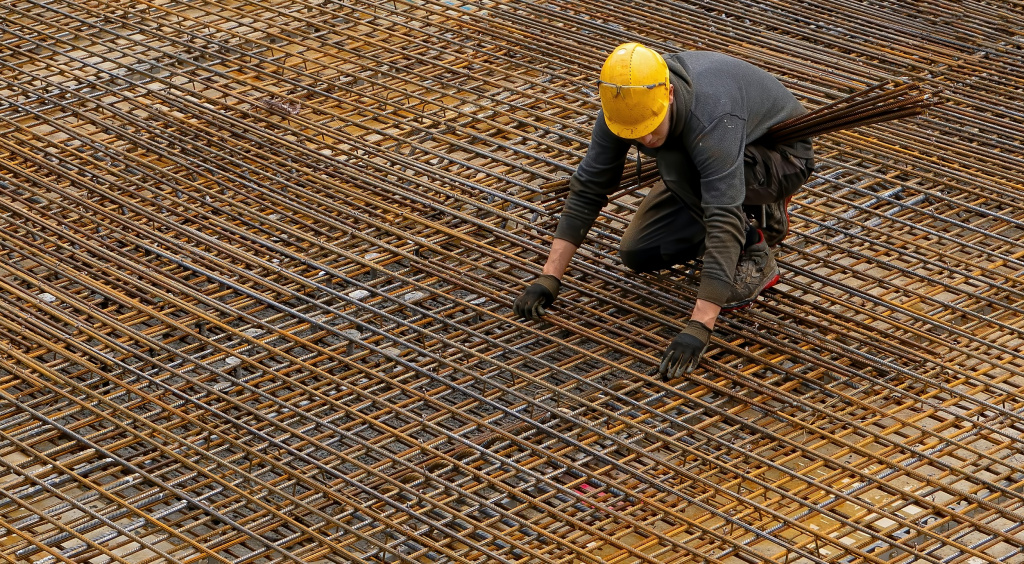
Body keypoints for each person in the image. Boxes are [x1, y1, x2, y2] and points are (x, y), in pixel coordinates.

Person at [512, 43, 815, 380]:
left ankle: (754, 245)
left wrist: (699, 326)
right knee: (638, 253)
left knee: (674, 160)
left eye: (650, 126)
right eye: (634, 133)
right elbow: (589, 186)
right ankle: (755, 209)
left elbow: (722, 217)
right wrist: (549, 277)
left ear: (669, 94)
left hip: (780, 158)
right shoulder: (622, 105)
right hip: (708, 159)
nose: (644, 137)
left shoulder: (711, 115)